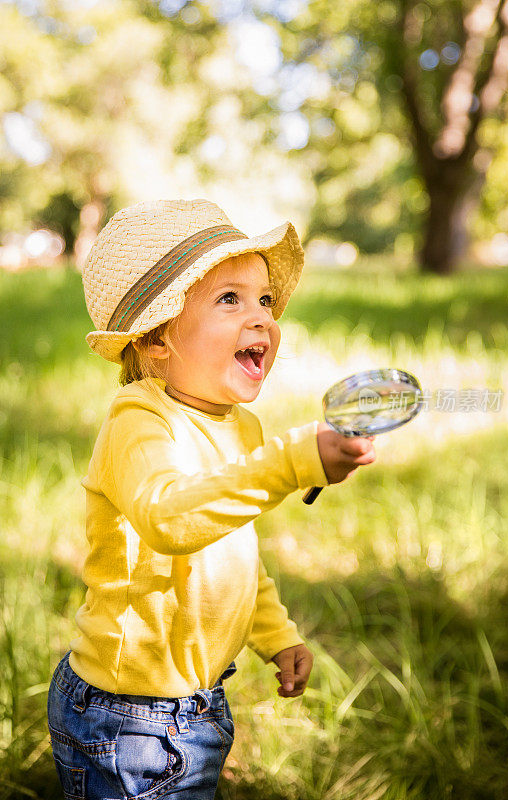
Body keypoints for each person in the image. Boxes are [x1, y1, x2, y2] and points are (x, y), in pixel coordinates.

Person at [47, 199, 376, 799]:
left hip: (192, 703)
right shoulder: (139, 423)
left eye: (265, 300)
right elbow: (171, 518)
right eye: (230, 299)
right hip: (127, 717)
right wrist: (290, 461)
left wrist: (276, 633)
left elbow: (233, 546)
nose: (261, 318)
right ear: (155, 341)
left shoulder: (236, 427)